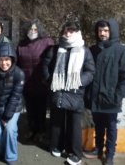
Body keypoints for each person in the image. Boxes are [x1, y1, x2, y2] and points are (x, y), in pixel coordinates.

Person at [83, 19, 125, 165]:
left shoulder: (122, 51)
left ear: (112, 31)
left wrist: (117, 96)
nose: (102, 33)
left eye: (105, 30)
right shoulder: (93, 50)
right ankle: (98, 148)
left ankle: (109, 154)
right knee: (98, 124)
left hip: (111, 98)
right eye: (100, 31)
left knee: (111, 127)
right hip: (95, 96)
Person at [43, 20, 95, 165]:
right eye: (66, 31)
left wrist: (78, 82)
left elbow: (90, 71)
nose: (68, 34)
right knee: (56, 121)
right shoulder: (55, 49)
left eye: (71, 31)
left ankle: (75, 154)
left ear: (77, 32)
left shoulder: (84, 50)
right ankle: (56, 146)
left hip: (74, 92)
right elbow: (46, 66)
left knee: (74, 125)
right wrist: (50, 81)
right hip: (57, 90)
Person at [16, 19, 54, 141]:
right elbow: (18, 63)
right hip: (27, 83)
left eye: (35, 29)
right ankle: (31, 129)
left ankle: (41, 131)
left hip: (42, 82)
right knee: (30, 109)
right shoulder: (21, 44)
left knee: (41, 109)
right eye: (30, 29)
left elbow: (51, 61)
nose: (32, 31)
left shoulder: (47, 42)